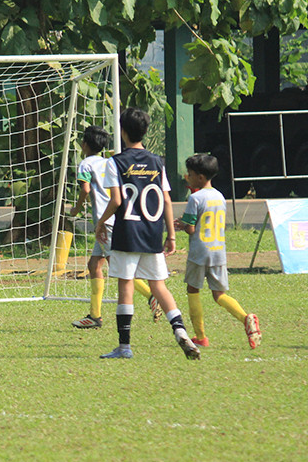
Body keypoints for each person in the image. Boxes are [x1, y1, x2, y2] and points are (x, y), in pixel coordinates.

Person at [94, 107, 200, 360]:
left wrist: (101, 223)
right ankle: (181, 333)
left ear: (122, 131)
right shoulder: (156, 162)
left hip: (127, 233)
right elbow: (165, 199)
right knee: (159, 286)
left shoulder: (115, 162)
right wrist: (171, 235)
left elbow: (118, 200)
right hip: (152, 234)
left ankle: (125, 346)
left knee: (126, 286)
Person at [68, 125, 162, 329]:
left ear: (84, 144)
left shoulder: (85, 164)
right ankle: (94, 316)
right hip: (112, 219)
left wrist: (76, 208)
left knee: (118, 267)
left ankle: (152, 296)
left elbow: (85, 188)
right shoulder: (109, 162)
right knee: (94, 265)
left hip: (105, 222)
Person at [174, 153, 262, 349]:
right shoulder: (220, 196)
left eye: (190, 174)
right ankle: (246, 318)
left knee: (193, 290)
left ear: (200, 177)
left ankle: (201, 337)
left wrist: (180, 224)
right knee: (219, 294)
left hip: (199, 252)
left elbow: (190, 228)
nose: (187, 176)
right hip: (218, 251)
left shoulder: (195, 198)